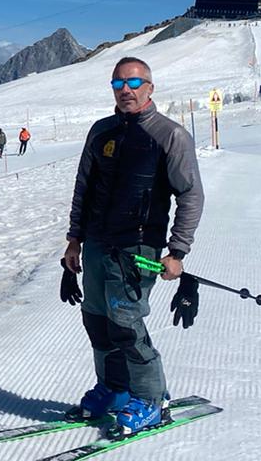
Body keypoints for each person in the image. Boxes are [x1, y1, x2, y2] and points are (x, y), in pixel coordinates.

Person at [61, 57, 204, 436]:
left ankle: (151, 399)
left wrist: (177, 251)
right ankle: (115, 389)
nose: (126, 90)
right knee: (97, 320)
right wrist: (74, 239)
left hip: (138, 247)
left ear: (150, 88)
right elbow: (84, 188)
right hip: (96, 243)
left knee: (125, 323)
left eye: (135, 82)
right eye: (118, 84)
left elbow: (190, 195)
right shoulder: (101, 131)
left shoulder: (170, 135)